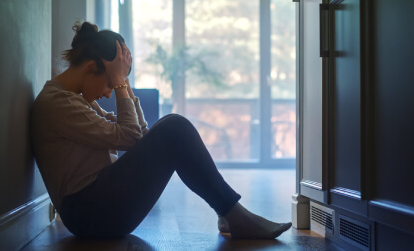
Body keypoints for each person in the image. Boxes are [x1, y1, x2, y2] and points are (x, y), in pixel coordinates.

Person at [31, 21, 292, 239]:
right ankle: (233, 215)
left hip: (97, 206)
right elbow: (132, 136)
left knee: (172, 126)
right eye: (110, 84)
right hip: (90, 214)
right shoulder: (59, 103)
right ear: (90, 68)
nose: (108, 93)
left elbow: (139, 136)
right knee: (175, 127)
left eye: (114, 86)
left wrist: (124, 84)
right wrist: (121, 83)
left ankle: (230, 214)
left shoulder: (74, 99)